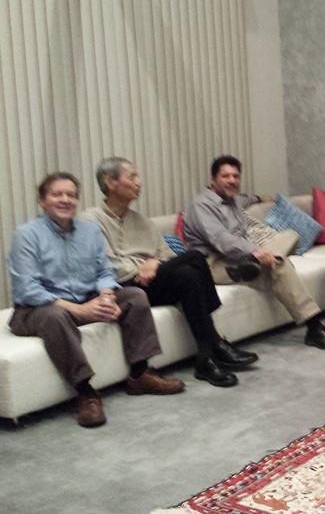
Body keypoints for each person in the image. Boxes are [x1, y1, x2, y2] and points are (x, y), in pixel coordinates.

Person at [7, 173, 185, 428]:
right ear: (42, 200)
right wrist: (80, 310)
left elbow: (104, 272)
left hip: (84, 298)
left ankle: (140, 375)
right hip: (37, 308)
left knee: (134, 295)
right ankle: (85, 392)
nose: (65, 200)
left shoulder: (89, 231)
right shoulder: (26, 234)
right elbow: (27, 289)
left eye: (71, 195)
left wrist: (107, 296)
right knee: (55, 316)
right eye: (57, 194)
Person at [86, 157, 258, 388]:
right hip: (125, 288)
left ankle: (205, 357)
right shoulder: (92, 220)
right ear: (111, 182)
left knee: (189, 274)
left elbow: (166, 254)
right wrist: (142, 267)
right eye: (132, 177)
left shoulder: (141, 221)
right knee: (195, 257)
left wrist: (155, 263)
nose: (139, 182)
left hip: (154, 283)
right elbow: (106, 265)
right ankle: (216, 342)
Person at [182, 155, 325, 350]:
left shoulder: (234, 200)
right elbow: (220, 239)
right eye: (226, 176)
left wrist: (262, 198)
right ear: (213, 179)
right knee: (280, 264)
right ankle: (314, 327)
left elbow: (247, 198)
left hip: (240, 259)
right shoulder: (201, 206)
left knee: (291, 236)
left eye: (236, 176)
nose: (232, 180)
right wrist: (254, 251)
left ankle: (253, 265)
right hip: (213, 264)